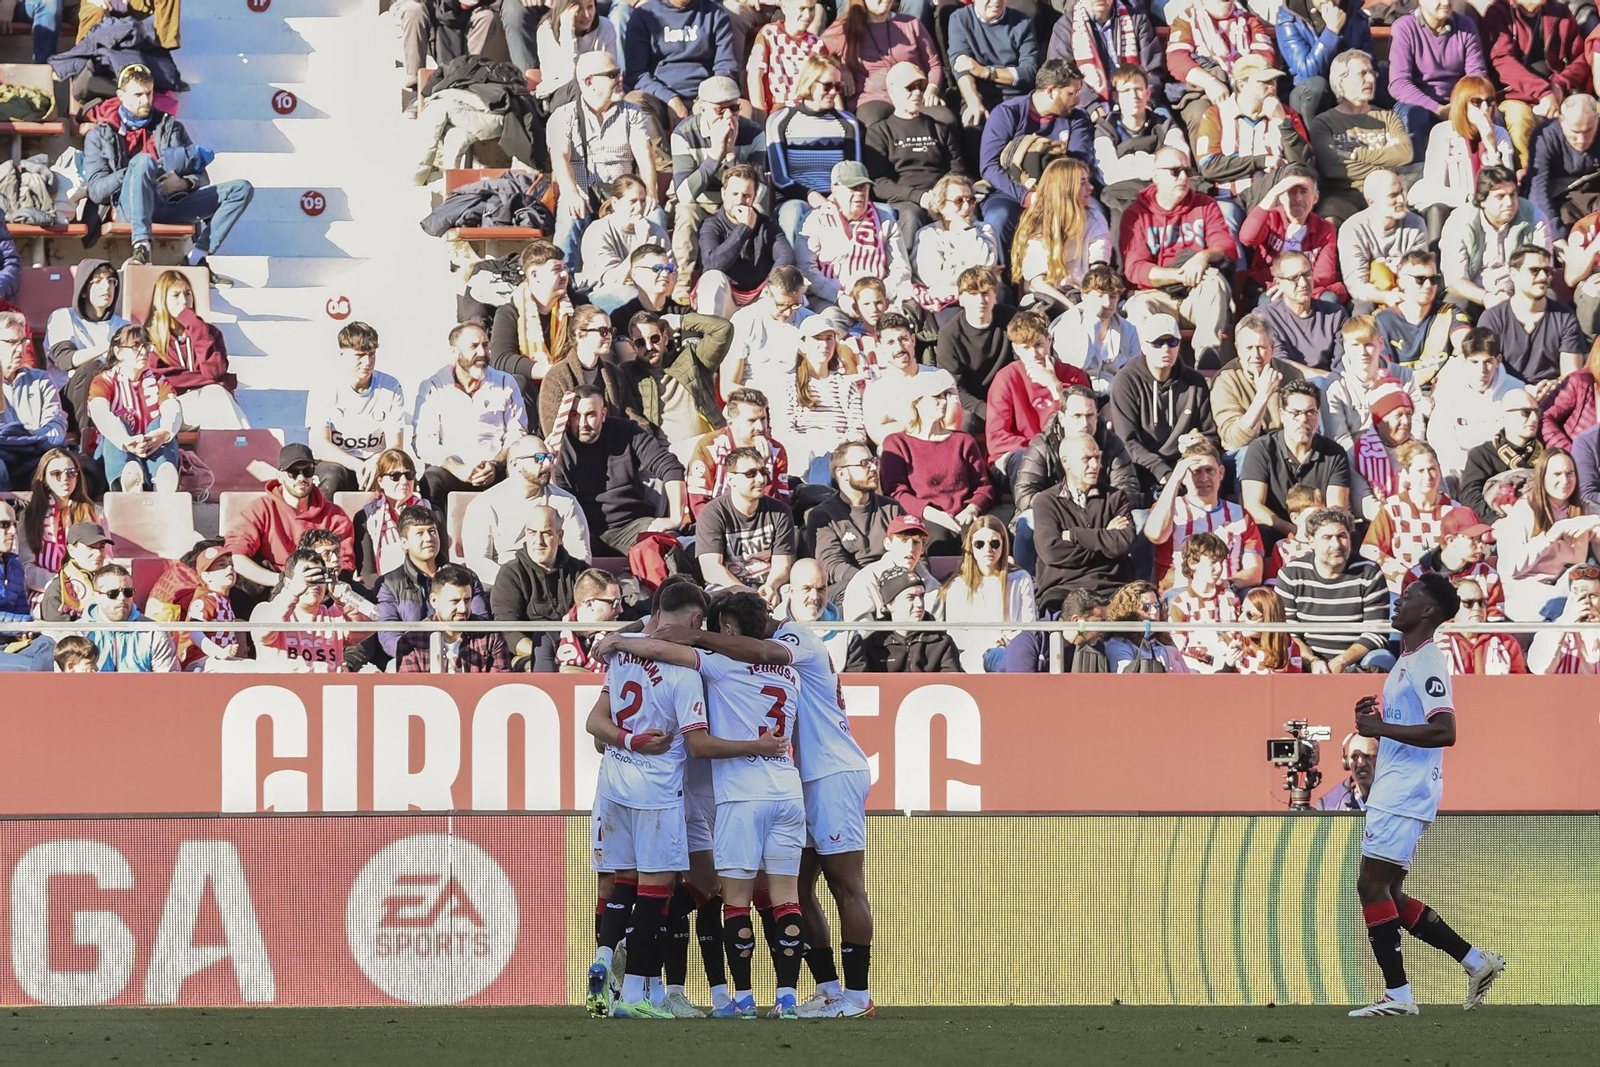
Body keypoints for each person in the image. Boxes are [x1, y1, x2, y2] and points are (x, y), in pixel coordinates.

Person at [594, 589, 806, 1019]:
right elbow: (700, 740)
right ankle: (778, 998)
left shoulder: (704, 666)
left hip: (651, 786)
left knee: (706, 895)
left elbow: (603, 721)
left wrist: (618, 638)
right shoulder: (789, 674)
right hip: (767, 790)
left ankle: (719, 996)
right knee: (772, 896)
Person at [1347, 572, 1505, 1017]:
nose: (1400, 599)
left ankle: (1399, 995)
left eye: (1411, 595)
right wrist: (1376, 720)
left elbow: (1444, 730)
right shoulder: (1406, 660)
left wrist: (1378, 729)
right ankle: (1476, 961)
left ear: (1429, 611)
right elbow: (1413, 722)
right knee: (1389, 893)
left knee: (1370, 884)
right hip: (1399, 786)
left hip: (1404, 789)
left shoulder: (1428, 660)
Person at [579, 582, 732, 1018]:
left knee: (620, 883)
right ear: (695, 621)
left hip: (613, 785)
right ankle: (633, 997)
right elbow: (697, 744)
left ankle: (604, 959)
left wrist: (628, 739)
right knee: (654, 894)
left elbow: (595, 722)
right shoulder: (686, 674)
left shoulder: (620, 654)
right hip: (658, 791)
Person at [82, 64, 254, 277]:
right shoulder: (99, 134)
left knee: (241, 189)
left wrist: (185, 183)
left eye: (149, 93)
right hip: (129, 205)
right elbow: (97, 191)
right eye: (138, 95)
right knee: (143, 161)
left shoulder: (171, 126)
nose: (145, 101)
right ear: (121, 95)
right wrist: (132, 173)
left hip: (168, 202)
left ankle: (197, 257)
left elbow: (201, 176)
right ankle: (142, 248)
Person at [1119, 146, 1239, 370]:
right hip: (1157, 297)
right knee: (1137, 305)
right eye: (1175, 171)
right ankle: (1146, 365)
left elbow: (1227, 247)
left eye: (1187, 171)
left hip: (1198, 297)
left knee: (1214, 280)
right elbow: (1135, 269)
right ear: (1156, 175)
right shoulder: (1136, 214)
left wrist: (1204, 256)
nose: (1184, 177)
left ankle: (1207, 355)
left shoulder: (1205, 205)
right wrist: (1180, 275)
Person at [551, 51, 658, 269]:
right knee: (569, 217)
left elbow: (645, 155)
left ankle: (654, 280)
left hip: (623, 199)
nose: (620, 79)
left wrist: (651, 194)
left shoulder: (633, 113)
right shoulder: (563, 116)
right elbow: (560, 156)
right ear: (589, 81)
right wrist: (571, 194)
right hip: (582, 196)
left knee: (655, 216)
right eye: (612, 74)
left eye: (619, 73)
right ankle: (564, 287)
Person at [552, 386, 689, 553]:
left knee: (667, 543)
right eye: (575, 415)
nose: (582, 423)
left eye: (590, 415)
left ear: (603, 415)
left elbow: (670, 466)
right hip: (584, 528)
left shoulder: (625, 431)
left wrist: (675, 518)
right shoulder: (559, 448)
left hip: (631, 525)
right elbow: (560, 501)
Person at [976, 58, 1094, 249]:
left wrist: (1054, 195)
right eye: (1071, 93)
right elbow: (989, 166)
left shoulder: (1077, 118)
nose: (1078, 99)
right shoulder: (1007, 113)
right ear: (1051, 91)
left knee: (1096, 214)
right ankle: (1003, 276)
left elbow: (1080, 161)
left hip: (1064, 190)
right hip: (1011, 190)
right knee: (999, 218)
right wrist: (1027, 197)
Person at [412, 321, 528, 510]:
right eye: (473, 347)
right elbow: (423, 442)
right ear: (454, 353)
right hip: (454, 471)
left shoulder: (506, 382)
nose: (482, 353)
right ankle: (440, 539)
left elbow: (518, 434)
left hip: (496, 469)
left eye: (485, 345)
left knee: (521, 476)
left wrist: (496, 464)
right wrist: (457, 468)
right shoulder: (434, 386)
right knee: (431, 480)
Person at [1192, 55, 1312, 234]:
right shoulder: (1214, 115)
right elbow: (1208, 166)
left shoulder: (1287, 115)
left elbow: (1302, 165)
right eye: (1265, 81)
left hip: (1271, 198)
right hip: (1229, 198)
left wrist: (1282, 124)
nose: (1273, 86)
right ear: (1241, 85)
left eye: (1274, 81)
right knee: (1224, 216)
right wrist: (1262, 161)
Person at [668, 77, 768, 291]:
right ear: (702, 108)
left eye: (734, 108)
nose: (729, 117)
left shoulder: (754, 133)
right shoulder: (684, 134)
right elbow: (684, 194)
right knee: (686, 211)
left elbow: (759, 194)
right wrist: (714, 156)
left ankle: (757, 283)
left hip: (737, 202)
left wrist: (731, 155)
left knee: (758, 211)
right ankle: (681, 287)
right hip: (701, 203)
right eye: (720, 110)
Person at [880, 372, 995, 555]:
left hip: (965, 517)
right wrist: (933, 515)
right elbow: (896, 492)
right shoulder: (897, 443)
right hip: (925, 518)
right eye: (935, 397)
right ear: (916, 402)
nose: (943, 402)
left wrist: (972, 508)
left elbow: (983, 486)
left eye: (944, 396)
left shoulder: (962, 441)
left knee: (984, 539)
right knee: (939, 541)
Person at [223, 444, 358, 598]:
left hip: (320, 586)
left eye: (307, 471)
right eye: (293, 472)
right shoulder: (261, 509)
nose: (301, 478)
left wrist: (313, 582)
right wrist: (282, 580)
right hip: (273, 584)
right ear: (280, 476)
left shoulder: (335, 516)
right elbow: (236, 556)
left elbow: (345, 564)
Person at [1109, 313, 1219, 497]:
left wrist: (1193, 457)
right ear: (1143, 347)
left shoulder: (1195, 381)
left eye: (1172, 342)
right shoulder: (1126, 380)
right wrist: (1164, 472)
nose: (1166, 349)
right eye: (1158, 343)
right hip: (1141, 470)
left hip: (1187, 468)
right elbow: (1127, 441)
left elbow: (1210, 435)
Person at [1276, 506, 1393, 672]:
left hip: (1354, 664)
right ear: (1311, 541)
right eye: (1327, 537)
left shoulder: (1369, 573)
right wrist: (1311, 660)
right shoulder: (1291, 574)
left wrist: (1342, 661)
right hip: (1303, 662)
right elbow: (1287, 632)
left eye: (1342, 536)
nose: (1336, 544)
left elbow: (1376, 632)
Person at [461, 435, 590, 585]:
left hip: (556, 584)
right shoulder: (484, 504)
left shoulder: (566, 502)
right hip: (504, 586)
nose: (548, 464)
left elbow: (580, 555)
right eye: (539, 458)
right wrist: (518, 583)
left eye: (549, 457)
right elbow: (478, 562)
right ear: (515, 464)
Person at [1090, 63, 1190, 251]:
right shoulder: (1105, 128)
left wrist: (1128, 162)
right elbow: (1109, 175)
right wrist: (1157, 163)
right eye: (1126, 91)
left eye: (1138, 89)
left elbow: (1179, 164)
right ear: (1116, 97)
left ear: (1148, 93)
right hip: (1121, 198)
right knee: (1121, 221)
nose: (1134, 96)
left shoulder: (1165, 125)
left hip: (1162, 195)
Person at [1145, 436, 1265, 592]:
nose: (1203, 478)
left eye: (1209, 470)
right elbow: (1156, 535)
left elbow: (1255, 571)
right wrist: (1174, 479)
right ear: (1184, 477)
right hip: (1180, 592)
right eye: (1196, 472)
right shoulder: (1170, 509)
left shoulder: (1240, 515)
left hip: (1228, 590)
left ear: (1220, 473)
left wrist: (1227, 585)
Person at [1307, 50, 1412, 226]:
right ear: (1341, 80)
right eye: (1362, 74)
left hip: (1388, 193)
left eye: (1372, 73)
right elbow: (1333, 167)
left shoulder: (1388, 117)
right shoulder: (1323, 122)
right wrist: (1386, 160)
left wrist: (1356, 155)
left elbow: (1405, 153)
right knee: (1328, 219)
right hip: (1345, 196)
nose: (1371, 80)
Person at [863, 62, 967, 238]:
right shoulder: (879, 132)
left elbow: (957, 171)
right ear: (893, 90)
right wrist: (918, 197)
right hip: (905, 199)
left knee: (966, 210)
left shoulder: (939, 128)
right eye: (910, 88)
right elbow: (878, 183)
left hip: (943, 196)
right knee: (912, 215)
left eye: (921, 87)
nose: (917, 93)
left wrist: (944, 197)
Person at [1494, 447, 1600, 620]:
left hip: (1571, 588)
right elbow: (1508, 568)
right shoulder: (1524, 509)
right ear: (1542, 477)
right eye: (1556, 474)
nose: (1565, 480)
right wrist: (1552, 535)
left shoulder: (1582, 510)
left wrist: (1596, 521)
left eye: (1570, 473)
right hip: (1530, 594)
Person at [985, 310, 1090, 484]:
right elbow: (997, 437)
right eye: (1026, 348)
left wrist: (1055, 386)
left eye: (1038, 344)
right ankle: (1028, 509)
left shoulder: (1075, 376)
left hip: (1064, 452)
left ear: (1050, 340)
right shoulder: (1006, 379)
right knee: (1026, 461)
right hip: (1019, 453)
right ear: (1016, 349)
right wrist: (1040, 450)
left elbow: (1083, 423)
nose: (1034, 354)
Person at [796, 160, 913, 316]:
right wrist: (839, 298)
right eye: (852, 188)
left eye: (863, 187)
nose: (859, 194)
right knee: (831, 321)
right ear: (834, 190)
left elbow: (901, 268)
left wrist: (878, 296)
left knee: (897, 322)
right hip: (831, 300)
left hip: (878, 300)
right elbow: (806, 271)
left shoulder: (885, 220)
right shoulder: (815, 220)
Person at [1241, 379, 1353, 541]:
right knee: (1259, 532)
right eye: (1295, 413)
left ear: (1318, 415)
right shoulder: (1261, 449)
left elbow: (1336, 510)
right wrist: (1293, 530)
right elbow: (1253, 506)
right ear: (1282, 415)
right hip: (1274, 530)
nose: (1303, 420)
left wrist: (1314, 535)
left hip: (1320, 535)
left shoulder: (1334, 454)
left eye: (1310, 412)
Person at [1033, 434, 1136, 609]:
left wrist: (1075, 535)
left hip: (1112, 587)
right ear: (1065, 462)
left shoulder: (1115, 497)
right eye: (1086, 459)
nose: (1096, 465)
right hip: (1063, 589)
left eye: (1097, 457)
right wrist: (1105, 538)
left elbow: (1124, 542)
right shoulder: (1046, 501)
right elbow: (1051, 552)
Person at [1411, 76, 1518, 244]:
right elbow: (1434, 187)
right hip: (1456, 205)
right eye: (1476, 102)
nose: (1485, 109)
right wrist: (1470, 198)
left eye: (1489, 102)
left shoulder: (1500, 134)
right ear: (1462, 105)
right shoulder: (1442, 132)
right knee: (1435, 209)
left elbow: (1508, 184)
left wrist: (1491, 147)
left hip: (1493, 209)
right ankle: (1435, 262)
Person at [375, 506, 490, 661]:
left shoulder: (466, 576)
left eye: (432, 531)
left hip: (465, 656)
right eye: (420, 533)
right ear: (404, 542)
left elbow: (481, 622)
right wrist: (422, 657)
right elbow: (389, 636)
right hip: (413, 661)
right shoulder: (389, 584)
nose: (429, 538)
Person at [307, 322, 409, 497]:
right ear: (342, 355)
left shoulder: (390, 386)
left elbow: (396, 445)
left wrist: (376, 461)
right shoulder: (324, 387)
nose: (367, 362)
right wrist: (357, 465)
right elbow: (320, 446)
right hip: (339, 461)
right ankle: (327, 524)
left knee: (399, 474)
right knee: (332, 475)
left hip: (376, 460)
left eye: (372, 355)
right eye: (359, 355)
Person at [1481, 0, 1586, 167]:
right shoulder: (1499, 11)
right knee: (1519, 118)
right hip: (1514, 94)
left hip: (1556, 92)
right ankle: (1529, 178)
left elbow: (1581, 59)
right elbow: (1502, 61)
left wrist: (1559, 84)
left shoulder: (1560, 11)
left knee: (1590, 111)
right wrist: (1543, 92)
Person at [1440, 166, 1553, 314]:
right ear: (1482, 201)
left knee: (1550, 297)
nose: (1509, 203)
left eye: (1513, 195)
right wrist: (1486, 297)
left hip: (1521, 291)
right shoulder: (1459, 221)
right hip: (1476, 294)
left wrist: (1516, 295)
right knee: (1454, 305)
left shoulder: (1534, 218)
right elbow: (1455, 281)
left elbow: (1543, 272)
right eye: (1500, 196)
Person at [143, 271, 248, 430]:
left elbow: (213, 371)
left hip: (207, 402)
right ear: (162, 300)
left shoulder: (209, 332)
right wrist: (209, 381)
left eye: (188, 294)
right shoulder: (150, 337)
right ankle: (248, 450)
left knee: (215, 396)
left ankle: (239, 450)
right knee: (216, 393)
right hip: (170, 409)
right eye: (176, 295)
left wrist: (195, 325)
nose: (184, 301)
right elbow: (161, 381)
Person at [623, 0, 739, 141]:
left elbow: (725, 65)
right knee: (634, 102)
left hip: (705, 97)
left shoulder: (715, 13)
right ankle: (664, 163)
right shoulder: (643, 15)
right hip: (659, 98)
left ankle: (730, 161)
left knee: (742, 108)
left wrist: (707, 100)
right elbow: (637, 73)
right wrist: (670, 99)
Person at [85, 324, 180, 494]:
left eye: (146, 346)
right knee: (116, 427)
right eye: (136, 346)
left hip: (151, 451)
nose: (143, 351)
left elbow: (172, 407)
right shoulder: (103, 380)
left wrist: (165, 432)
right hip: (113, 453)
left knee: (161, 425)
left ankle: (162, 480)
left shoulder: (160, 381)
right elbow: (100, 413)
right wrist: (125, 440)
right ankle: (126, 483)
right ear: (118, 352)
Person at [1478, 244, 1585, 395]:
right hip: (1505, 396)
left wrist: (1555, 384)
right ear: (1513, 274)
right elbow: (1483, 373)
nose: (1543, 277)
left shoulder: (1565, 318)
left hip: (1551, 397)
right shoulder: (1492, 319)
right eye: (1534, 270)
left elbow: (1572, 376)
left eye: (1547, 271)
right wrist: (1523, 391)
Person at [489, 241, 581, 415]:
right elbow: (501, 359)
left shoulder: (576, 307)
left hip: (569, 384)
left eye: (565, 268)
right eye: (556, 269)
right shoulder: (510, 312)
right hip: (533, 389)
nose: (564, 274)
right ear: (534, 274)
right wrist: (548, 372)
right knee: (518, 383)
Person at [1386, 0, 1491, 152]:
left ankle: (1486, 165)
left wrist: (1461, 106)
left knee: (1490, 111)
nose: (1446, 2)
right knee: (1411, 114)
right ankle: (1413, 171)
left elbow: (1477, 75)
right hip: (1419, 104)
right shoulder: (1403, 28)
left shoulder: (1466, 26)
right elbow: (1398, 83)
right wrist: (1436, 109)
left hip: (1458, 102)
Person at [766, 55, 866, 215]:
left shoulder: (848, 123)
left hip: (838, 200)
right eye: (827, 86)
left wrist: (834, 201)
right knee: (793, 212)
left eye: (838, 87)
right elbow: (780, 178)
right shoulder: (780, 120)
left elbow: (854, 173)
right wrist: (813, 197)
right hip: (795, 200)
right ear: (810, 84)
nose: (833, 92)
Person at [808, 440, 904, 605]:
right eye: (864, 463)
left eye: (873, 461)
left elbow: (912, 549)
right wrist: (872, 582)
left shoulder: (891, 508)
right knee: (850, 593)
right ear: (841, 473)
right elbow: (833, 566)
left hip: (893, 582)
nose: (873, 468)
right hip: (850, 587)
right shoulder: (823, 515)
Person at [696, 446, 796, 604]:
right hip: (727, 587)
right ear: (730, 479)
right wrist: (746, 592)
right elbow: (711, 569)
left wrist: (771, 585)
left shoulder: (780, 511)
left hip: (769, 588)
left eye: (763, 472)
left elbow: (782, 565)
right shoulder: (712, 513)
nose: (761, 479)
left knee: (796, 599)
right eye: (751, 474)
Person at [937, 516, 1037, 673]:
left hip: (1014, 650)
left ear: (1003, 545)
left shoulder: (1021, 578)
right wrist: (990, 643)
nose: (988, 549)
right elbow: (956, 633)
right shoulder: (958, 584)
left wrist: (1009, 642)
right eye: (979, 544)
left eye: (994, 543)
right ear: (971, 547)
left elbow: (1028, 625)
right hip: (975, 655)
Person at [819, 0, 945, 122]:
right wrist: (841, 68)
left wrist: (931, 89)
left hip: (915, 95)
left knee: (945, 119)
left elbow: (933, 63)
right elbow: (819, 51)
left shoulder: (910, 23)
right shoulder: (847, 28)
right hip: (874, 98)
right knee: (873, 119)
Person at [1012, 157, 1112, 311]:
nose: (1090, 187)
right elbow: (1037, 282)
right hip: (1049, 300)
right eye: (1082, 182)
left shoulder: (1095, 219)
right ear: (1065, 188)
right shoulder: (1037, 224)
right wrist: (1071, 308)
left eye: (1088, 181)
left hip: (1083, 295)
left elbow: (1098, 266)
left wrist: (1090, 299)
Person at [491, 503, 589, 659]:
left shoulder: (580, 572)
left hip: (578, 655)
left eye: (546, 533)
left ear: (560, 536)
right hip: (529, 657)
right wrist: (547, 655)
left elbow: (596, 619)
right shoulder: (510, 574)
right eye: (532, 532)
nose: (538, 541)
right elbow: (508, 630)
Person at [697, 165, 797, 318]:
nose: (740, 201)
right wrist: (744, 228)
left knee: (784, 281)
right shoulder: (710, 225)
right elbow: (712, 264)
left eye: (746, 195)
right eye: (734, 194)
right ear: (723, 194)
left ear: (754, 196)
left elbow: (786, 256)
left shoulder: (766, 224)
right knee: (711, 279)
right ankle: (711, 339)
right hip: (726, 301)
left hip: (760, 300)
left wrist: (772, 284)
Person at [1165, 0, 1276, 134]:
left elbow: (1264, 57)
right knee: (1200, 114)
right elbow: (1176, 59)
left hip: (1246, 87)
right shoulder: (1186, 19)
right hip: (1201, 91)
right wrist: (1210, 82)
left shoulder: (1249, 20)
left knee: (1268, 108)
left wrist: (1245, 89)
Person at [44, 258, 130, 432]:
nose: (107, 287)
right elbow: (65, 360)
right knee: (92, 369)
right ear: (84, 289)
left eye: (111, 281)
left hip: (111, 397)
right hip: (68, 401)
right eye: (97, 281)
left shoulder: (123, 326)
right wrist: (109, 346)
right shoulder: (63, 317)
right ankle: (86, 443)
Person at [1428, 328, 1526, 480]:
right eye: (1474, 362)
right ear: (1464, 360)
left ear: (1498, 360)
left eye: (1488, 362)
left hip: (1500, 470)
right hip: (1458, 469)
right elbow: (1439, 437)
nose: (1482, 370)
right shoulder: (1447, 387)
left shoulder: (1516, 390)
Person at [1238, 167, 1343, 307]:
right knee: (1268, 303)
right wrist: (1272, 194)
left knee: (1330, 301)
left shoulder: (1325, 229)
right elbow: (1247, 238)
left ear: (1315, 197)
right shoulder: (1270, 218)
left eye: (1304, 192)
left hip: (1308, 288)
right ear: (1281, 195)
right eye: (1291, 192)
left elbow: (1325, 273)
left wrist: (1294, 286)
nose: (1298, 198)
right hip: (1271, 286)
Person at [1360, 441, 1457, 591]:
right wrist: (1403, 574)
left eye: (1432, 469)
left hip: (1447, 590)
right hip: (1403, 592)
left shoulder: (1455, 510)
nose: (1428, 476)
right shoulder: (1392, 509)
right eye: (1420, 470)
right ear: (1407, 474)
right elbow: (1369, 550)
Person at [1210, 313, 1309, 457]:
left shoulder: (1292, 375)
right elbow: (1233, 441)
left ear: (1272, 347)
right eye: (1249, 348)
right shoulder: (1225, 380)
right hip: (1244, 452)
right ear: (1237, 348)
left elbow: (1303, 425)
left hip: (1285, 448)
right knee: (1247, 455)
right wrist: (1263, 395)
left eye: (1261, 347)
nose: (1256, 355)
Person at [1048, 0, 1164, 121]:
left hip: (1138, 101)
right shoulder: (1065, 26)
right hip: (1085, 107)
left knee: (1170, 132)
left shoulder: (1137, 19)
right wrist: (1092, 105)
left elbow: (1153, 69)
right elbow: (1061, 74)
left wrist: (1148, 102)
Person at [538, 305, 646, 434]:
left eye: (611, 331)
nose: (609, 336)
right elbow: (553, 432)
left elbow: (633, 418)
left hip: (613, 448)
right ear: (580, 334)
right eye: (602, 331)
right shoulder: (556, 377)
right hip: (573, 451)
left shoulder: (615, 374)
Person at [934, 267, 1016, 435]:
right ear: (961, 299)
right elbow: (954, 387)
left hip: (1009, 397)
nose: (981, 300)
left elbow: (1020, 364)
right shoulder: (949, 335)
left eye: (986, 293)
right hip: (974, 405)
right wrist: (986, 410)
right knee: (964, 421)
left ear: (995, 296)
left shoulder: (1010, 318)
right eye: (973, 294)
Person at [686, 387, 790, 518]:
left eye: (763, 419)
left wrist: (763, 471)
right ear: (731, 423)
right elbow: (698, 505)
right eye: (751, 421)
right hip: (716, 525)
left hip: (761, 526)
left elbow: (782, 509)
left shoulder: (776, 450)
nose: (760, 427)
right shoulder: (709, 447)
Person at [909, 174, 999, 324]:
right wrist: (973, 273)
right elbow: (932, 277)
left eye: (970, 200)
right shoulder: (928, 235)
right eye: (959, 201)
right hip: (945, 305)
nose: (966, 207)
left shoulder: (983, 230)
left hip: (979, 298)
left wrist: (967, 231)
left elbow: (986, 262)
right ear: (941, 205)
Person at [1374, 250, 1472, 387]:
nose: (1428, 286)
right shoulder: (1382, 320)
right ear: (1401, 281)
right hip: (1399, 394)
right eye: (1420, 279)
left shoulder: (1448, 312)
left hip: (1441, 392)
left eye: (1434, 279)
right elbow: (1381, 371)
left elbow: (1466, 345)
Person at [17, 449, 103, 603]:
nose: (65, 479)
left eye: (71, 472)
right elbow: (26, 568)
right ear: (44, 479)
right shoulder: (29, 517)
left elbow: (106, 558)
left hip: (88, 590)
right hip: (45, 591)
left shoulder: (93, 513)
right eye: (56, 474)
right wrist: (62, 584)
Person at [1323, 320, 1424, 452]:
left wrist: (1406, 456)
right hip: (1357, 457)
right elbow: (1340, 438)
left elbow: (1417, 424)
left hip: (1402, 452)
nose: (1362, 352)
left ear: (1381, 344)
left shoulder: (1404, 375)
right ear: (1345, 346)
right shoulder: (1333, 386)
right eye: (1355, 345)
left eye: (1368, 344)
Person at [1339, 169, 1430, 314]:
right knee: (1362, 309)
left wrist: (1401, 270)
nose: (1401, 200)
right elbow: (1356, 284)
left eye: (1401, 192)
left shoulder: (1416, 224)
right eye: (1393, 195)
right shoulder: (1352, 229)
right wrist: (1385, 297)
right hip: (1371, 296)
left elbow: (1421, 273)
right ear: (1371, 202)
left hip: (1408, 292)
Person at [352, 449, 447, 583]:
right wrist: (393, 590)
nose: (404, 481)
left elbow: (443, 563)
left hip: (428, 585)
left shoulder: (433, 512)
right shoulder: (366, 517)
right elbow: (367, 573)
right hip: (386, 589)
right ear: (380, 481)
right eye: (395, 476)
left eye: (409, 475)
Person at [394, 565, 511, 673]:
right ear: (434, 601)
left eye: (467, 600)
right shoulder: (411, 641)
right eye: (454, 601)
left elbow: (499, 688)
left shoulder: (490, 635)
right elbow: (411, 691)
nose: (462, 609)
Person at [845, 567, 963, 672]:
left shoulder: (942, 643)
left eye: (921, 596)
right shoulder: (871, 645)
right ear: (890, 604)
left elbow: (950, 689)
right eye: (910, 597)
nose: (919, 603)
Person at [724, 268, 815, 402]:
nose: (788, 312)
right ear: (766, 293)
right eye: (781, 305)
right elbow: (727, 388)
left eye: (796, 305)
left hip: (795, 400)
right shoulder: (743, 320)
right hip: (752, 401)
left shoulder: (810, 321)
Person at [0, 311, 66, 493]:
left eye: (22, 341)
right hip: (4, 456)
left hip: (36, 453)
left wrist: (25, 439)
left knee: (63, 465)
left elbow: (57, 424)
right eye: (12, 342)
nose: (20, 349)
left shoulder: (41, 379)